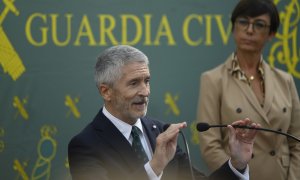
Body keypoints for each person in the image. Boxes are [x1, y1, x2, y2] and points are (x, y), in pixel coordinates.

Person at [68, 45, 260, 180]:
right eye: (134, 83)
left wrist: (236, 164)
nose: (145, 92)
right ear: (106, 91)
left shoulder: (160, 131)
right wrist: (154, 167)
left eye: (147, 81)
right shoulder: (85, 146)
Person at [197, 0, 300, 180]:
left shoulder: (285, 80)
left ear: (271, 33)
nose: (250, 30)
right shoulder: (213, 79)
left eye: (259, 24)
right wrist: (238, 175)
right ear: (233, 27)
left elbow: (297, 141)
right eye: (243, 22)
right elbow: (210, 145)